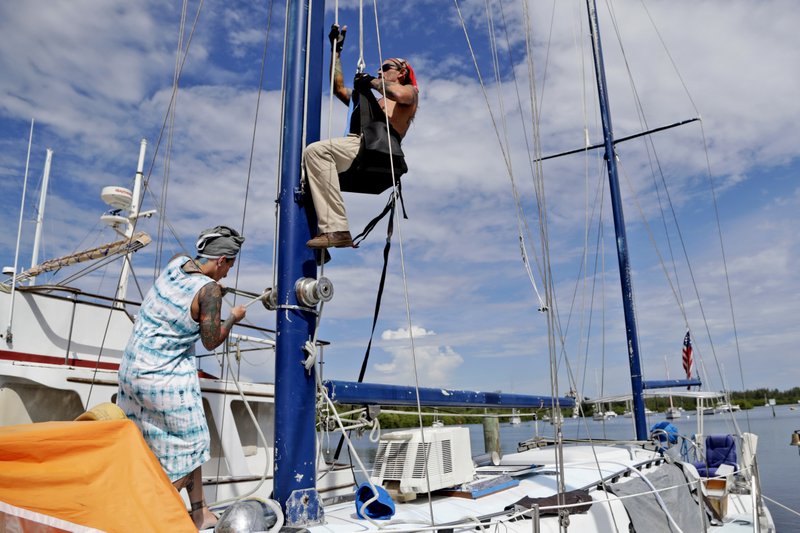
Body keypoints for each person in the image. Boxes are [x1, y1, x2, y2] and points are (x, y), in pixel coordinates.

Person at [117, 225, 246, 530]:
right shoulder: (209, 291)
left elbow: (189, 292)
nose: (228, 273)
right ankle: (143, 517)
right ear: (221, 260)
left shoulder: (178, 262)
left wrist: (214, 292)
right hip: (160, 377)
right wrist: (232, 317)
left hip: (131, 370)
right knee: (195, 444)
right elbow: (211, 341)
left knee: (180, 446)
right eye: (229, 266)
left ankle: (200, 512)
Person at [304, 24, 419, 249]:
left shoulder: (409, 93)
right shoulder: (374, 103)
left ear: (402, 72)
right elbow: (338, 89)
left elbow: (397, 93)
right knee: (306, 174)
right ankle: (318, 240)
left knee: (317, 151)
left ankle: (337, 229)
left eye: (385, 68)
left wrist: (370, 81)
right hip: (360, 149)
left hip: (377, 148)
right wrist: (336, 51)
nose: (380, 71)